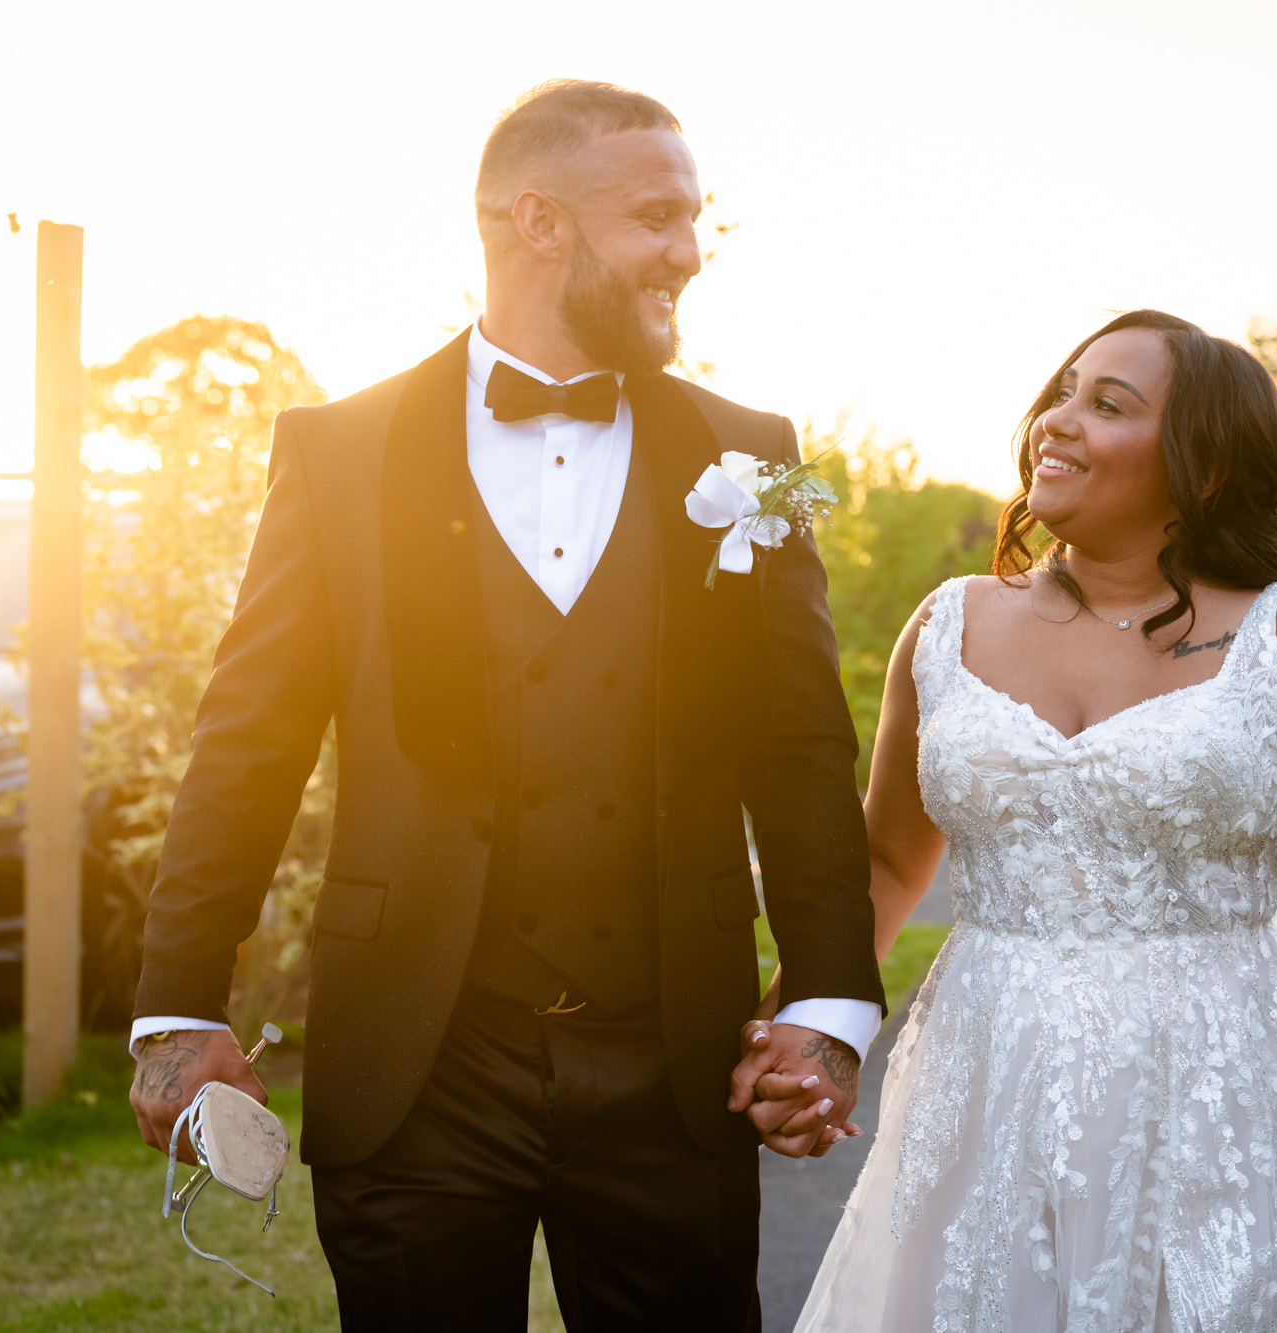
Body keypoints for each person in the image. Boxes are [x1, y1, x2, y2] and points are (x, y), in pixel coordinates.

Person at [125, 79, 884, 1329]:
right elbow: (247, 743)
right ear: (538, 221)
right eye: (656, 217)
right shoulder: (337, 451)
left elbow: (801, 751)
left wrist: (825, 1000)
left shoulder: (749, 451)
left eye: (696, 223)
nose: (686, 255)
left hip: (669, 1065)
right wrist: (179, 1006)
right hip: (416, 1058)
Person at [781, 311, 1277, 1331]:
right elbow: (889, 862)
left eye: (1107, 404)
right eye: (1061, 392)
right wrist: (813, 1035)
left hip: (1219, 1095)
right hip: (987, 1080)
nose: (1057, 421)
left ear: (1200, 466)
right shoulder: (946, 624)